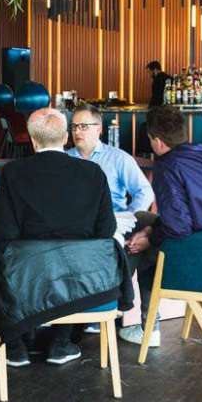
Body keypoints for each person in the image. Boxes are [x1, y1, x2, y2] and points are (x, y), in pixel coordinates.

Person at [0, 108, 117, 366]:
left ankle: (14, 345)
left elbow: (6, 230)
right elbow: (106, 229)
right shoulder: (92, 173)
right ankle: (61, 342)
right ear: (65, 138)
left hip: (29, 277)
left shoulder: (13, 173)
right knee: (68, 261)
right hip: (81, 278)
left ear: (33, 140)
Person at [117, 105, 202, 347]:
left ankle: (143, 323)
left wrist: (149, 239)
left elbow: (178, 228)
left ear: (157, 141)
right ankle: (128, 305)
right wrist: (150, 230)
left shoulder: (167, 166)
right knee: (145, 221)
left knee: (145, 248)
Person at [67, 103, 155, 335]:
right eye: (74, 126)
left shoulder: (117, 158)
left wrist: (129, 217)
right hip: (76, 224)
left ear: (99, 129)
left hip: (113, 221)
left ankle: (104, 307)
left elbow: (144, 192)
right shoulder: (65, 159)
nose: (77, 131)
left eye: (84, 126)